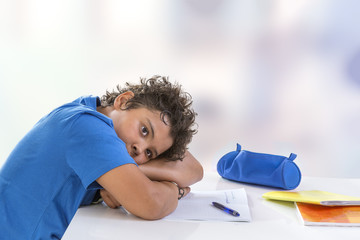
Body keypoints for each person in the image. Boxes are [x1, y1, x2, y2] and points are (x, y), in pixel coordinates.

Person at [0, 76, 203, 239]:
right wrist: (174, 189)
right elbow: (151, 203)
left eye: (149, 153)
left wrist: (131, 172)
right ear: (123, 101)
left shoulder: (89, 111)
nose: (139, 149)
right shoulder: (87, 127)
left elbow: (194, 169)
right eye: (143, 130)